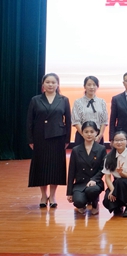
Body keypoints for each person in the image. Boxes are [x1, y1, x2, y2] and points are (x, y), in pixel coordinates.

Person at [27, 73, 72, 208]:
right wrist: (30, 139)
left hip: (58, 138)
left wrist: (67, 139)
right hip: (40, 137)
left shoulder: (63, 100)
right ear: (43, 84)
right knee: (41, 166)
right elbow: (29, 121)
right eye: (48, 82)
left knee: (55, 167)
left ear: (57, 84)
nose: (50, 85)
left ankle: (52, 196)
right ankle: (43, 195)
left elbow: (68, 121)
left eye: (53, 82)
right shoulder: (35, 100)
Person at [66, 121, 106, 215]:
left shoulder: (101, 149)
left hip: (95, 182)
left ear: (96, 132)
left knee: (92, 190)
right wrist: (69, 192)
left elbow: (103, 168)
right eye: (86, 131)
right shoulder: (76, 150)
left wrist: (94, 179)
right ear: (82, 133)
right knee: (78, 202)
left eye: (92, 132)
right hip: (80, 183)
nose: (89, 134)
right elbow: (71, 172)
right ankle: (83, 203)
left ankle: (95, 203)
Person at [102, 131, 127, 217]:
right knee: (107, 200)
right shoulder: (108, 157)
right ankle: (119, 205)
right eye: (116, 140)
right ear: (112, 142)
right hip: (117, 183)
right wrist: (112, 190)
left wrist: (121, 172)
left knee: (121, 182)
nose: (119, 142)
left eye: (122, 140)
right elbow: (107, 177)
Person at [71, 75, 107, 145]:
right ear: (84, 86)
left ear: (97, 86)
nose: (91, 87)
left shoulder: (102, 102)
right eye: (89, 85)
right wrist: (85, 135)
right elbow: (76, 121)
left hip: (97, 137)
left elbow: (104, 121)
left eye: (94, 85)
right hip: (82, 136)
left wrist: (99, 136)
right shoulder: (78, 102)